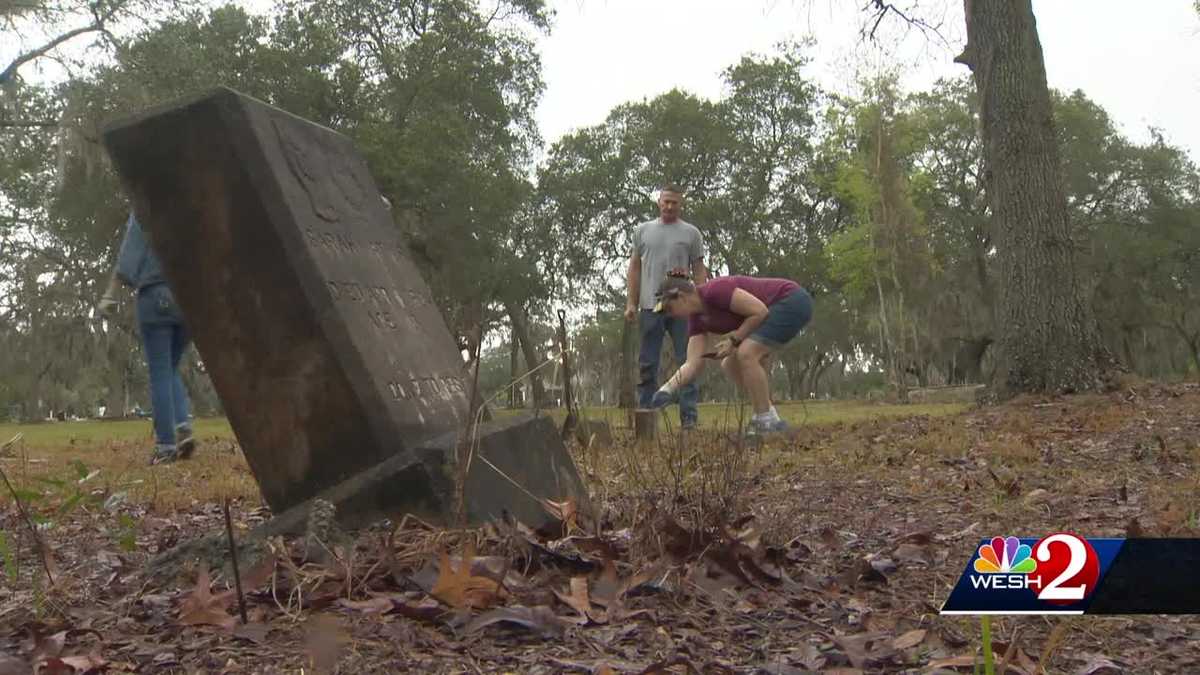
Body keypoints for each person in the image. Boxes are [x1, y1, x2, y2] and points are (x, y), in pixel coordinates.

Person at [647, 274, 813, 436]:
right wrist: (666, 390)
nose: (670, 315)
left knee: (746, 353)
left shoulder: (715, 291)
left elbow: (759, 311)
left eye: (669, 308)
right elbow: (692, 363)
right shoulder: (696, 320)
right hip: (769, 312)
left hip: (791, 301)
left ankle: (765, 420)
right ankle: (769, 416)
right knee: (729, 364)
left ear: (681, 297)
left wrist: (734, 340)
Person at [98, 212, 196, 464]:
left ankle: (166, 446)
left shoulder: (146, 204)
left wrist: (110, 294)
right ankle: (182, 425)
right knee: (171, 367)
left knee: (160, 370)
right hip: (191, 297)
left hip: (157, 293)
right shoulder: (193, 206)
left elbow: (129, 254)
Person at [625, 184, 707, 429]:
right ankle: (646, 418)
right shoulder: (642, 231)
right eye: (666, 201)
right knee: (648, 364)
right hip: (651, 306)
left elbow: (699, 270)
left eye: (674, 202)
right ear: (659, 202)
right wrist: (631, 303)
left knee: (688, 360)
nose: (670, 206)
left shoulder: (692, 233)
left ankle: (689, 419)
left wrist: (702, 302)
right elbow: (635, 268)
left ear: (681, 205)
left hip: (682, 306)